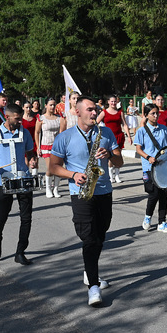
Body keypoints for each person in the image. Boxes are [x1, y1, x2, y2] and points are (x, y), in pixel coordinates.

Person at [48, 96, 120, 306]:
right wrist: (73, 175)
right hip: (80, 193)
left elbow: (120, 161)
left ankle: (90, 273)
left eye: (95, 109)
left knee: (100, 236)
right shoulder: (64, 137)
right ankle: (93, 287)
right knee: (89, 238)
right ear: (77, 111)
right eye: (89, 109)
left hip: (104, 191)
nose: (94, 112)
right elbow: (53, 167)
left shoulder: (106, 133)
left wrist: (110, 155)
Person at [0, 103, 36, 266]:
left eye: (21, 119)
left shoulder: (24, 132)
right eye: (17, 119)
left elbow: (30, 152)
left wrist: (32, 160)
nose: (20, 122)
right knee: (2, 215)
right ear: (7, 117)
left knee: (26, 217)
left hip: (23, 179)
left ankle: (20, 252)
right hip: (3, 181)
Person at [133, 104, 167, 233]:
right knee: (154, 194)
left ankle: (162, 222)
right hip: (149, 167)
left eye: (157, 113)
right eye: (152, 113)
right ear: (146, 115)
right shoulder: (142, 131)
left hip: (164, 167)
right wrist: (148, 157)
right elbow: (138, 149)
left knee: (164, 195)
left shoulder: (163, 129)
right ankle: (148, 216)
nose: (156, 116)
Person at [35, 98, 66, 198]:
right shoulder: (41, 118)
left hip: (57, 146)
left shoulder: (59, 118)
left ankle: (56, 189)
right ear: (46, 106)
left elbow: (62, 132)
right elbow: (37, 132)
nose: (52, 107)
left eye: (54, 105)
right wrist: (38, 147)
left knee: (58, 168)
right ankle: (48, 188)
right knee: (50, 168)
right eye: (50, 105)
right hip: (46, 145)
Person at [100, 95, 129, 184]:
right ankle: (110, 175)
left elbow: (124, 124)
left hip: (118, 136)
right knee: (110, 156)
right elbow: (96, 122)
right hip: (108, 137)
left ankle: (117, 175)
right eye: (112, 101)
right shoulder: (104, 112)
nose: (113, 103)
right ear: (108, 102)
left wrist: (129, 135)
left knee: (118, 156)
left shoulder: (120, 112)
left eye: (115, 101)